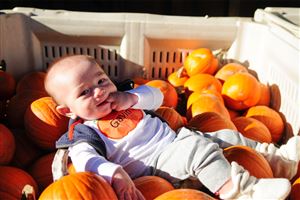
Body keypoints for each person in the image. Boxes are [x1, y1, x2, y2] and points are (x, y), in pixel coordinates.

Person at [45, 55, 299, 200]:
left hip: (178, 137)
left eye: (101, 80)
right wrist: (114, 173)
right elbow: (85, 160)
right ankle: (242, 192)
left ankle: (279, 160)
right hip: (155, 165)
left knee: (226, 136)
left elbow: (157, 96)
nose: (100, 91)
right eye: (85, 92)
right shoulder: (82, 132)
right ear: (68, 110)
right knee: (199, 150)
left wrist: (132, 98)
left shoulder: (121, 95)